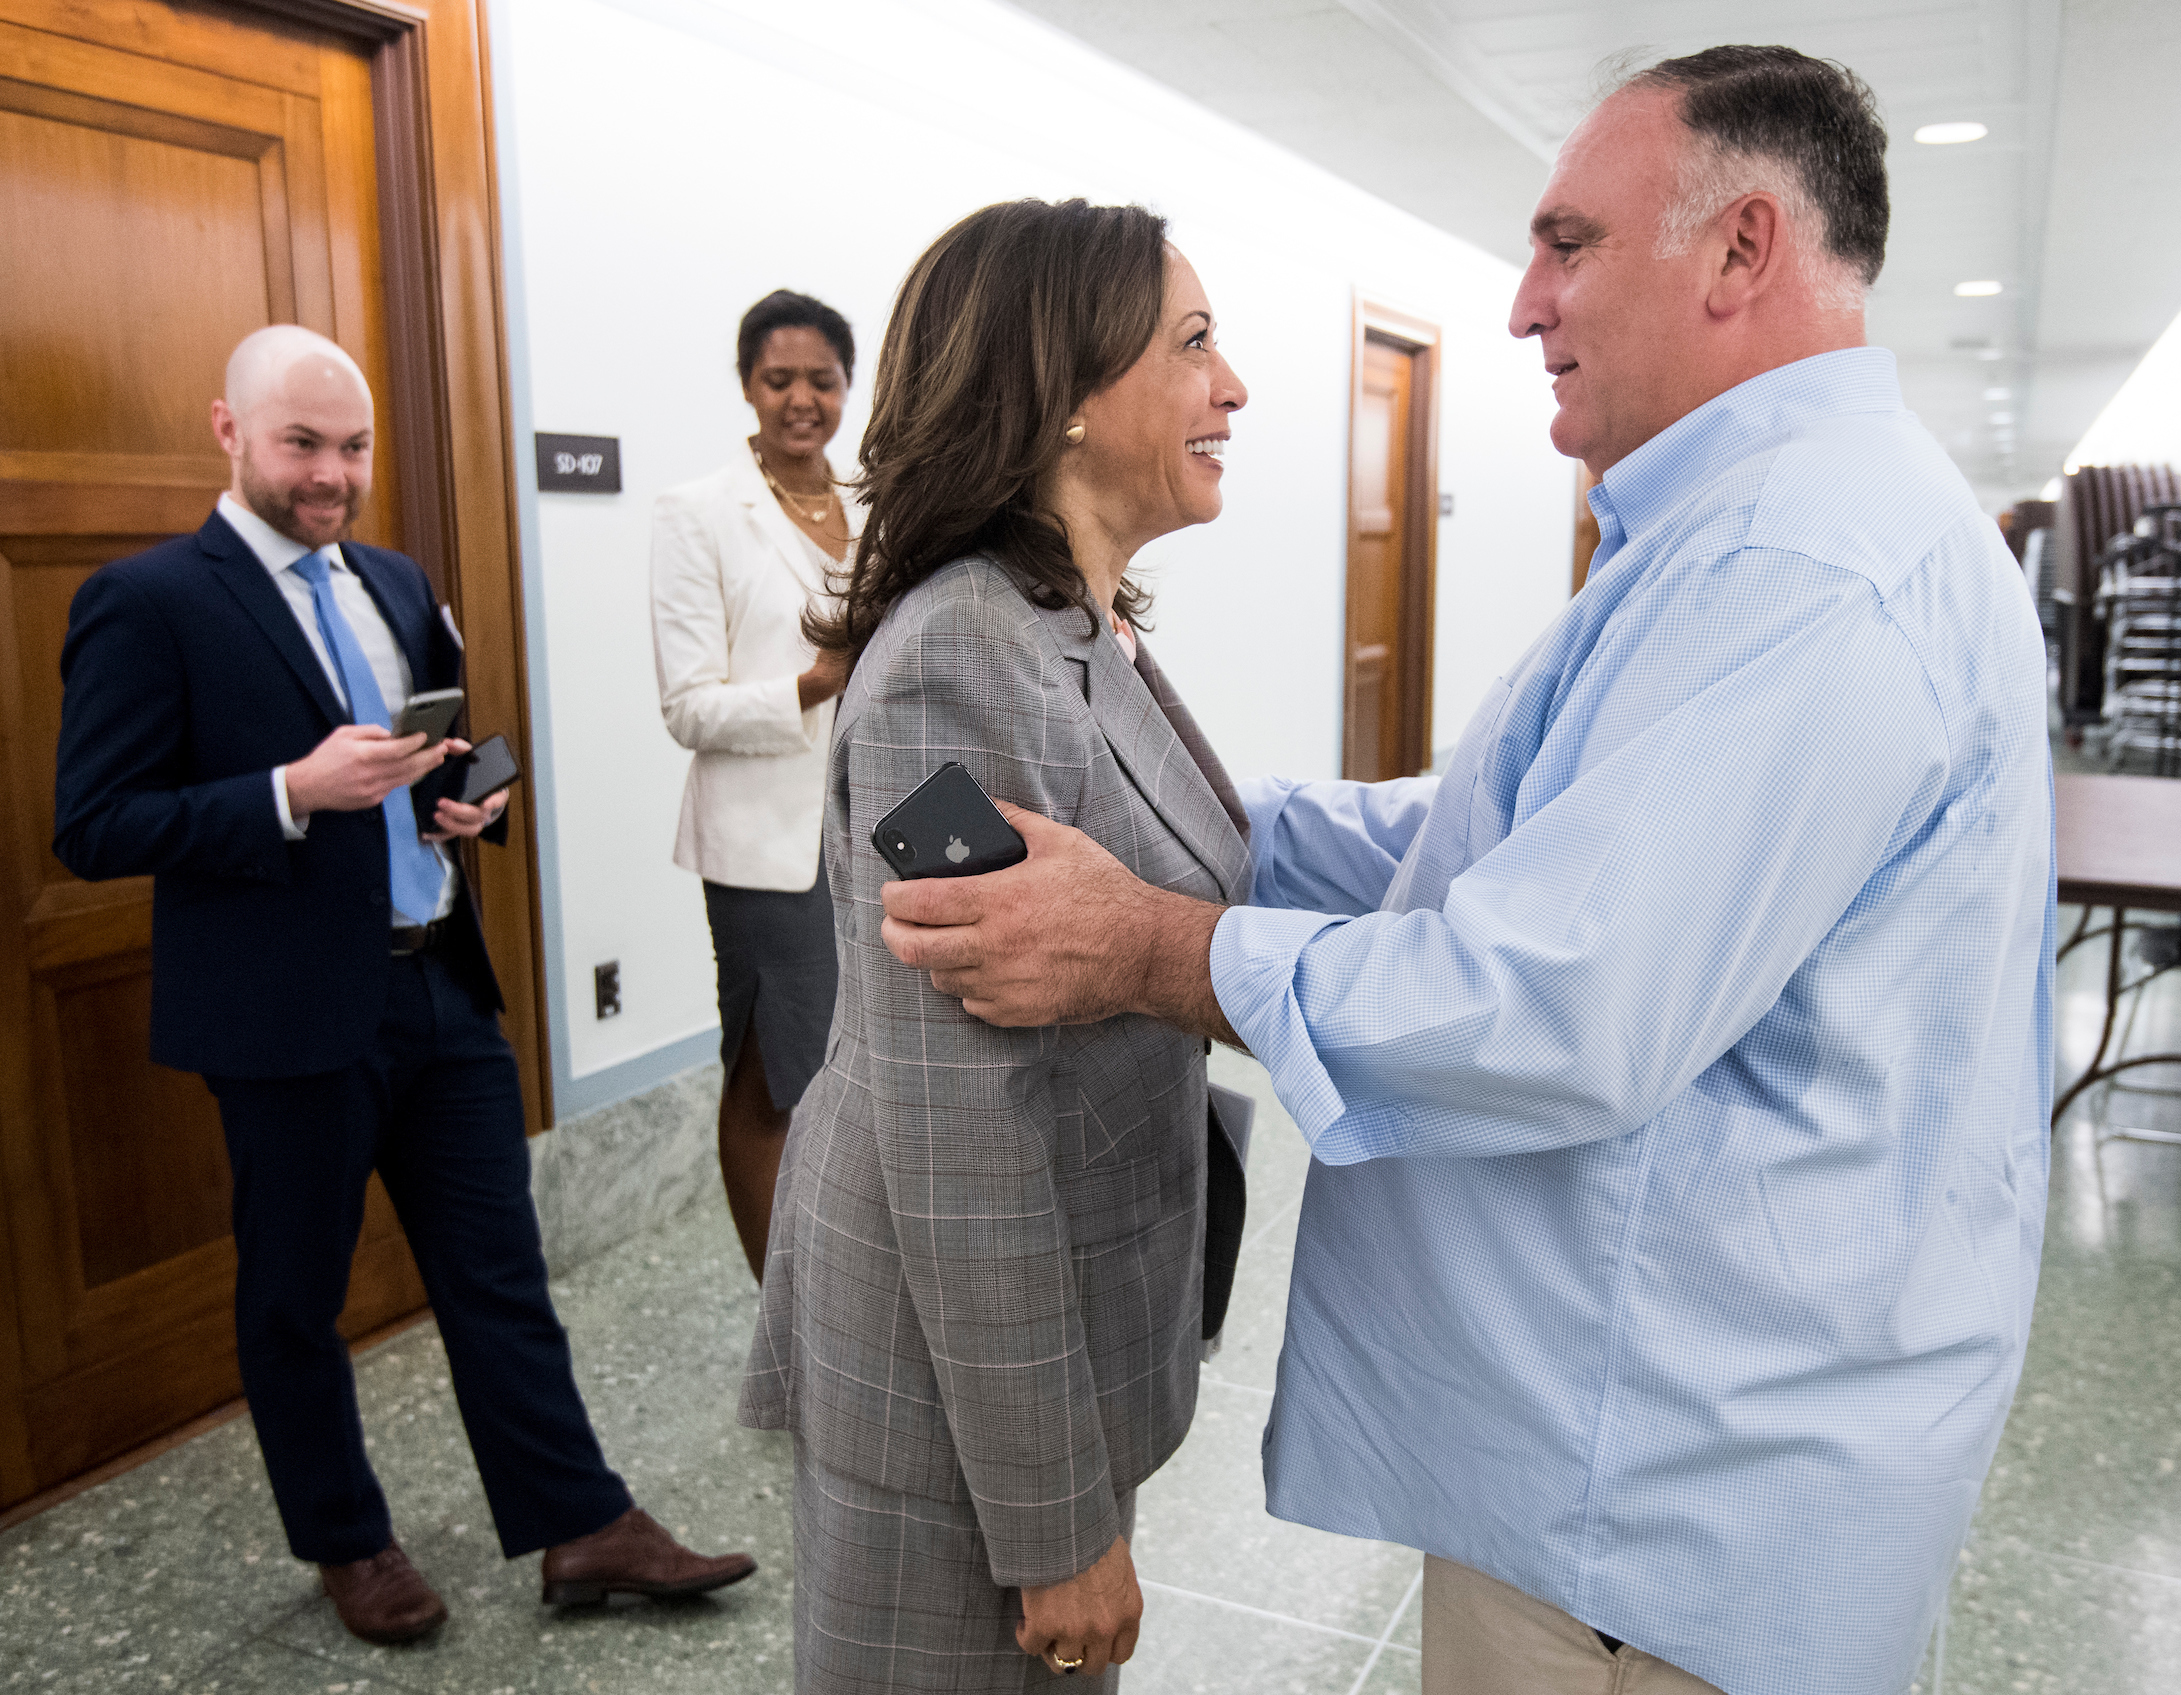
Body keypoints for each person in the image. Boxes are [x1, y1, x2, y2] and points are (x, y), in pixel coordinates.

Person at [877, 49, 2055, 1695]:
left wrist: (1152, 945)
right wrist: (1207, 824)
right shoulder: (1778, 530)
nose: (1521, 303)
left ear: (1740, 253)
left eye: (1569, 243)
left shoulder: (1805, 569)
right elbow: (1511, 841)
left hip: (1655, 1538)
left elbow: (1557, 993)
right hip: (1674, 1480)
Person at [53, 325, 756, 1648]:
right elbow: (93, 822)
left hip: (437, 984)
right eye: (301, 443)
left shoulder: (391, 575)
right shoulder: (148, 600)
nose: (332, 474)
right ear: (228, 430)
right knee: (295, 1294)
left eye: (353, 446)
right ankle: (346, 1537)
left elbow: (436, 744)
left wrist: (459, 800)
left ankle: (580, 1519)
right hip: (283, 1015)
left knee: (501, 1271)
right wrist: (285, 793)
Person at [737, 199, 1256, 1692]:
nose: (1233, 387)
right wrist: (1052, 1524)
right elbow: (959, 1122)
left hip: (1068, 1334)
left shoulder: (1072, 624)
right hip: (951, 1397)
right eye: (1197, 344)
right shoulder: (962, 659)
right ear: (1071, 394)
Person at [651, 289, 857, 1281]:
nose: (802, 400)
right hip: (767, 843)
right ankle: (789, 1325)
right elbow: (688, 708)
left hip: (880, 828)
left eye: (822, 379)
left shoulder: (875, 503)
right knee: (775, 1076)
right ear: (748, 386)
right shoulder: (699, 515)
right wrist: (815, 684)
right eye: (781, 380)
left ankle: (848, 1294)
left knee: (860, 1069)